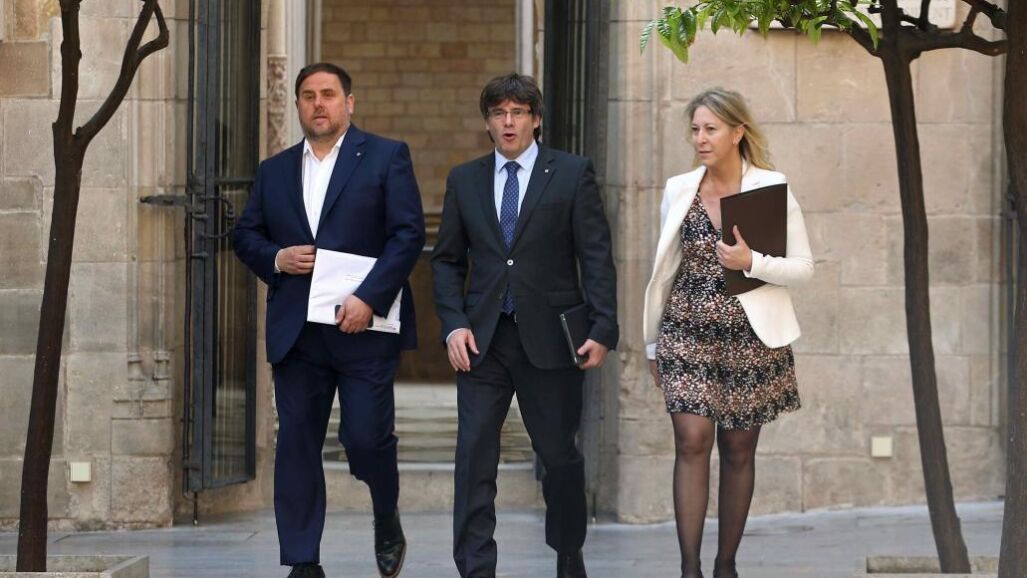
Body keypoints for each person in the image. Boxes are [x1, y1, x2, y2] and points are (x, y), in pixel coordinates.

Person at [233, 62, 425, 578]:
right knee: (296, 446)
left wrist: (370, 298)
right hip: (298, 333)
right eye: (308, 95)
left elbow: (407, 235)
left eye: (328, 94)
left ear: (349, 103)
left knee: (365, 440)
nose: (318, 103)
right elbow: (245, 235)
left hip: (364, 330)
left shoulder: (386, 156)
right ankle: (303, 561)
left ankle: (385, 511)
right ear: (297, 104)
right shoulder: (274, 170)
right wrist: (276, 258)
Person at [431, 73, 618, 578]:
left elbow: (595, 255)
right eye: (499, 113)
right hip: (482, 340)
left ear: (536, 119)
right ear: (487, 123)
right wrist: (453, 325)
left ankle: (568, 551)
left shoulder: (572, 173)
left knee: (558, 456)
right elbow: (446, 261)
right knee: (474, 456)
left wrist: (602, 327)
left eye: (518, 112)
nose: (508, 122)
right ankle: (475, 567)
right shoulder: (465, 180)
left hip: (552, 338)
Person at [642, 88, 814, 578]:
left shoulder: (771, 188)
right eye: (695, 129)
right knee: (692, 440)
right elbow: (664, 270)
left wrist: (751, 261)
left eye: (710, 129)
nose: (700, 138)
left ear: (737, 132)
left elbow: (803, 268)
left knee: (738, 450)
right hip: (686, 329)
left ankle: (725, 566)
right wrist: (653, 342)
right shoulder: (680, 189)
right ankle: (689, 570)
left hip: (750, 337)